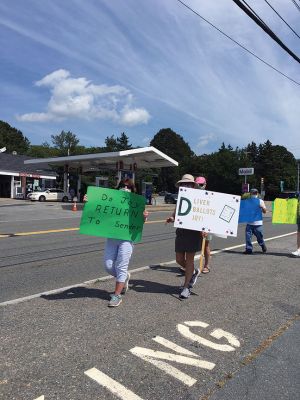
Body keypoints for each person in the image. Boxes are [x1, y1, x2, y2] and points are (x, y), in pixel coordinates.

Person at [84, 182, 148, 307]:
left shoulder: (136, 204)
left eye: (129, 187)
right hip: (112, 238)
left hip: (127, 239)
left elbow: (139, 222)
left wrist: (144, 217)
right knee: (108, 266)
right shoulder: (111, 202)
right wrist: (89, 201)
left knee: (121, 266)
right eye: (123, 186)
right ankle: (124, 278)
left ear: (133, 190)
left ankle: (117, 295)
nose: (125, 188)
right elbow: (99, 210)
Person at [166, 174, 202, 299]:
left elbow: (205, 216)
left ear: (193, 185)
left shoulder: (199, 199)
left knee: (190, 259)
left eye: (188, 184)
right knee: (179, 259)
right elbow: (176, 214)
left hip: (194, 233)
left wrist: (204, 229)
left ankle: (187, 287)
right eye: (183, 184)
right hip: (181, 232)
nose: (185, 186)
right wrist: (172, 218)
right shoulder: (181, 199)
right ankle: (193, 271)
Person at [195, 176, 211, 273]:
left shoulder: (210, 195)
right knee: (191, 245)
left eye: (201, 184)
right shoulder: (191, 195)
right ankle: (188, 265)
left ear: (205, 185)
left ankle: (207, 265)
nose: (199, 186)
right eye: (197, 184)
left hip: (206, 225)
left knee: (206, 245)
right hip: (194, 224)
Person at [243, 188, 267, 254]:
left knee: (259, 237)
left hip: (258, 224)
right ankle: (249, 249)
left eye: (255, 193)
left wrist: (262, 207)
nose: (254, 194)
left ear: (257, 194)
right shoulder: (248, 201)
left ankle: (262, 245)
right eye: (253, 193)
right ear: (250, 194)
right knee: (248, 237)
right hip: (249, 223)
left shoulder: (260, 201)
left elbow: (265, 212)